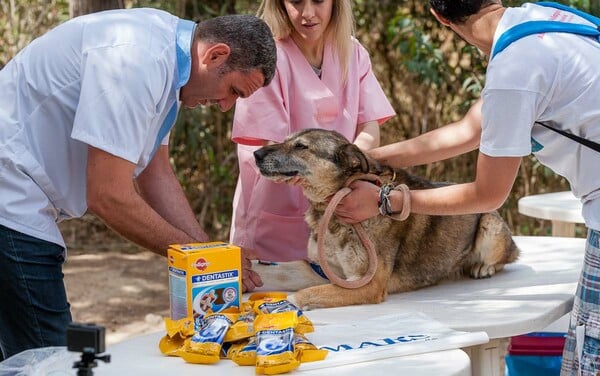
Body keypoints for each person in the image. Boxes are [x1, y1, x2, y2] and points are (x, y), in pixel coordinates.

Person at [334, 1, 600, 374]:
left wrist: (384, 201)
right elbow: (469, 131)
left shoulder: (513, 69)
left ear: (439, 17)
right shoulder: (545, 19)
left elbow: (487, 195)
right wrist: (374, 161)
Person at [0, 9, 276, 360]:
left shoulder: (170, 62)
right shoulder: (136, 62)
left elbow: (155, 174)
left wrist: (212, 255)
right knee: (53, 359)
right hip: (10, 193)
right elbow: (107, 195)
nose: (224, 106)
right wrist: (202, 261)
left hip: (21, 194)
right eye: (233, 91)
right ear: (216, 54)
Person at [229, 0, 395, 272]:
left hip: (339, 218)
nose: (307, 13)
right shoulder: (267, 59)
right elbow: (267, 144)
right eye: (295, 1)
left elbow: (370, 126)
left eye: (318, 1)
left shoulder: (353, 54)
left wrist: (345, 164)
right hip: (276, 219)